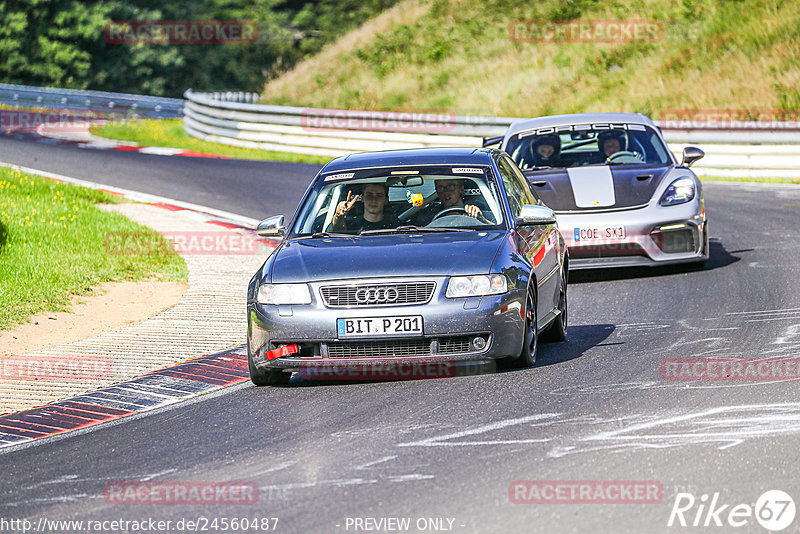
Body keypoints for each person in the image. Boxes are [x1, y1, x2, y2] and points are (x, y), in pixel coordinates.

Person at [414, 178, 487, 226]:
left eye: (451, 187)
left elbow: (495, 230)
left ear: (461, 189)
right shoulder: (429, 215)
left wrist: (481, 218)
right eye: (440, 188)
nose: (446, 192)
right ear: (437, 192)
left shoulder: (476, 210)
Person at [331, 182, 398, 232]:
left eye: (379, 196)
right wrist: (338, 216)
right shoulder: (353, 225)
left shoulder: (395, 226)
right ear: (362, 198)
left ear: (386, 200)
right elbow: (338, 229)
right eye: (369, 195)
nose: (374, 200)